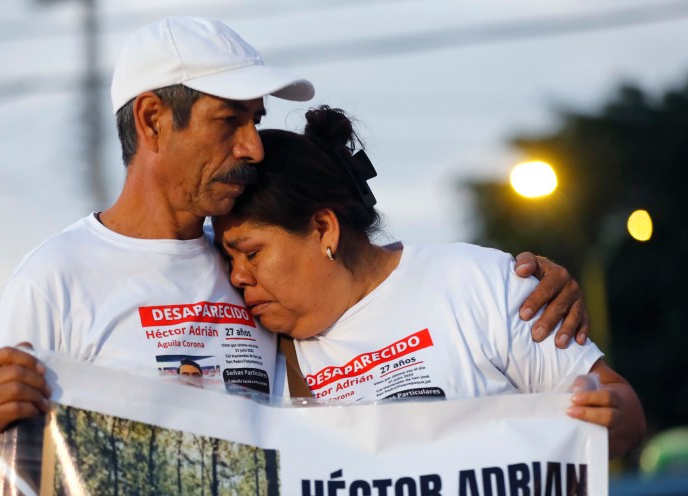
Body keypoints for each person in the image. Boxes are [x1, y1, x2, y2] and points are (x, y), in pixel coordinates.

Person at [0, 17, 588, 496]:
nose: (252, 145)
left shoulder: (258, 268)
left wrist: (522, 289)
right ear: (151, 120)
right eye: (230, 121)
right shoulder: (54, 278)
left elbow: (379, 314)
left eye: (255, 121)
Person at [212, 106, 646, 459]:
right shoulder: (253, 342)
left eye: (251, 253)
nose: (237, 276)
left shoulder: (478, 283)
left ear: (325, 229)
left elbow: (619, 406)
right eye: (228, 258)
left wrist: (607, 417)